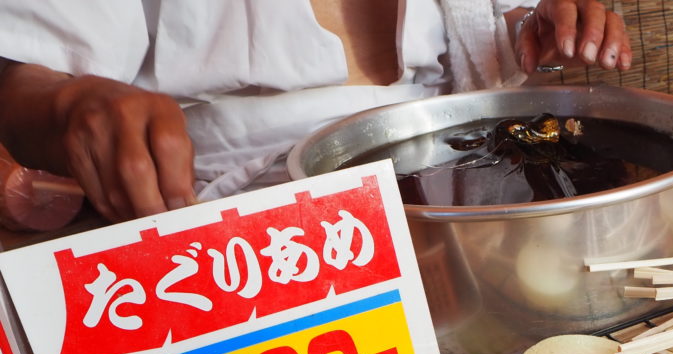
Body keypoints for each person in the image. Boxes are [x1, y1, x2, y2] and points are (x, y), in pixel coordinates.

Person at [0, 0, 632, 222]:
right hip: (226, 219)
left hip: (447, 194)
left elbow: (486, 38)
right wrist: (69, 101)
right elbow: (23, 71)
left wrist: (532, 29)